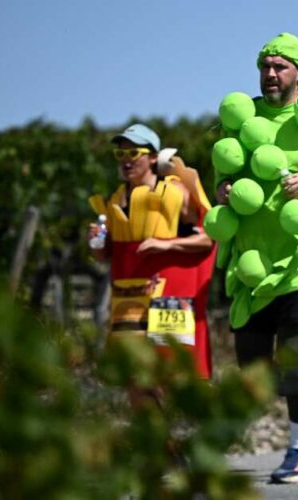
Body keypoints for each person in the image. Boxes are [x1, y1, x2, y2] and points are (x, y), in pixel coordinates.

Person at [211, 33, 298, 483]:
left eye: (281, 66)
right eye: (265, 66)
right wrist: (225, 190)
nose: (271, 74)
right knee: (254, 371)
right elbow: (224, 175)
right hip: (250, 262)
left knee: (297, 355)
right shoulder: (243, 118)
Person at [88, 123, 215, 379]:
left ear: (153, 157)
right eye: (120, 154)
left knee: (170, 369)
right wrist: (96, 244)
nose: (126, 160)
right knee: (132, 372)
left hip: (167, 297)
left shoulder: (175, 192)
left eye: (133, 153)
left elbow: (206, 239)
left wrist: (166, 244)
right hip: (128, 298)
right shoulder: (115, 200)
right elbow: (104, 256)